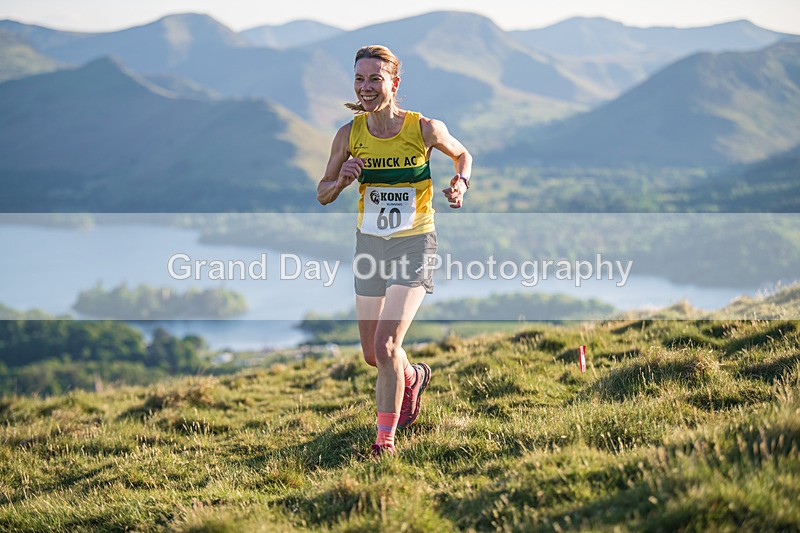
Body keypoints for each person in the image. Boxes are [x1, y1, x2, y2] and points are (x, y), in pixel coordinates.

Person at [317, 45, 473, 457]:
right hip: (369, 245)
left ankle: (384, 442)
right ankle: (413, 376)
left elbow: (462, 155)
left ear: (394, 83)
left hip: (414, 242)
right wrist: (341, 182)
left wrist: (460, 183)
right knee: (373, 355)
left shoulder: (423, 128)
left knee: (387, 344)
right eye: (359, 79)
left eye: (375, 79)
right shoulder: (348, 134)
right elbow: (322, 193)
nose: (366, 87)